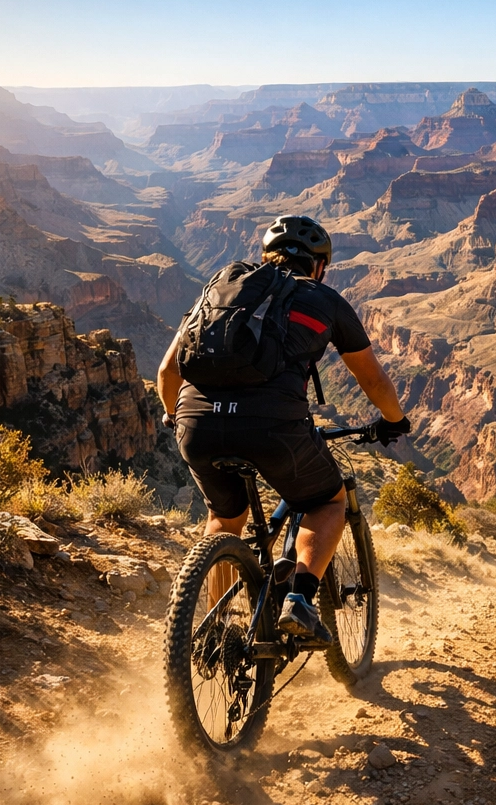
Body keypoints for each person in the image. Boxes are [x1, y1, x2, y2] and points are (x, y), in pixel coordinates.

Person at [157, 214, 409, 643]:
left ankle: (218, 630)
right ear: (319, 265)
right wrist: (393, 420)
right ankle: (301, 600)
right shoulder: (324, 300)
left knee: (223, 517)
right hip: (273, 428)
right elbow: (372, 380)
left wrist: (173, 415)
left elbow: (167, 370)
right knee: (327, 501)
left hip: (196, 422)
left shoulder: (224, 287)